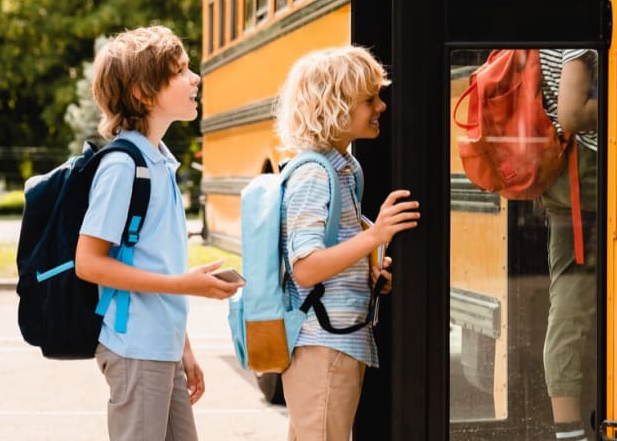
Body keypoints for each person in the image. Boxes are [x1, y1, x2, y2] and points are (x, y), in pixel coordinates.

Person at [75, 25, 242, 441]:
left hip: (161, 348)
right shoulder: (123, 166)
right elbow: (89, 262)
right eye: (180, 71)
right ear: (143, 94)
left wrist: (183, 348)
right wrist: (185, 285)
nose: (195, 78)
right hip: (135, 349)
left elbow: (147, 260)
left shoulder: (159, 162)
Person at [274, 46, 420, 441]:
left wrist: (367, 272)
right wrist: (375, 236)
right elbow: (305, 267)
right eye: (369, 99)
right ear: (333, 108)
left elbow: (334, 251)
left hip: (339, 341)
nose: (381, 107)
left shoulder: (343, 169)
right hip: (322, 344)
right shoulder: (313, 176)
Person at [502, 0, 600, 440]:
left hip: (568, 181)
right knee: (573, 299)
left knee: (573, 295)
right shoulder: (576, 20)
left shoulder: (556, 11)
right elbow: (569, 114)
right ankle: (568, 428)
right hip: (583, 179)